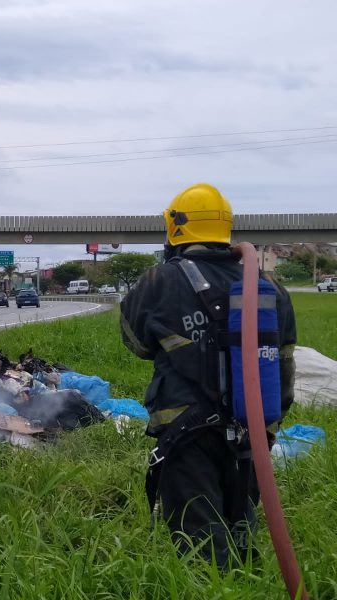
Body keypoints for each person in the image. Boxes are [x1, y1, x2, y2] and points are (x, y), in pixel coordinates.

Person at [120, 183, 297, 567]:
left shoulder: (159, 281)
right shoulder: (270, 287)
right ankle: (245, 582)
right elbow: (284, 359)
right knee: (240, 523)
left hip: (186, 431)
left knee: (198, 537)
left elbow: (136, 344)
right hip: (254, 429)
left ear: (175, 228)